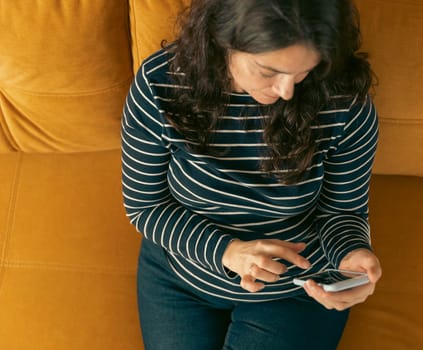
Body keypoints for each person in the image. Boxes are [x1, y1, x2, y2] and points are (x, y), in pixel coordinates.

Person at [121, 0, 382, 349]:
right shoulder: (161, 85)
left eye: (304, 70)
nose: (287, 91)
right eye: (268, 71)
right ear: (222, 37)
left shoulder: (345, 101)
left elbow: (342, 211)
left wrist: (351, 255)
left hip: (297, 287)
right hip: (183, 274)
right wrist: (227, 251)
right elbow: (145, 206)